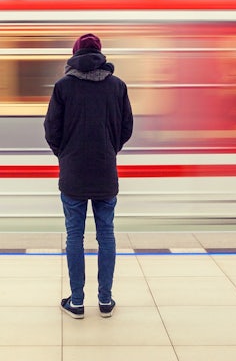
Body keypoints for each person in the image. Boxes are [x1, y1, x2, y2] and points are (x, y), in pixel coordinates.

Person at [44, 33, 133, 319]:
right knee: (106, 234)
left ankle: (78, 302)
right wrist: (109, 149)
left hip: (73, 174)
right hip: (105, 170)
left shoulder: (63, 86)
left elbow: (51, 130)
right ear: (100, 55)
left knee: (75, 236)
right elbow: (126, 128)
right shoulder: (117, 86)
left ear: (75, 54)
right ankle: (105, 301)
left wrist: (65, 154)